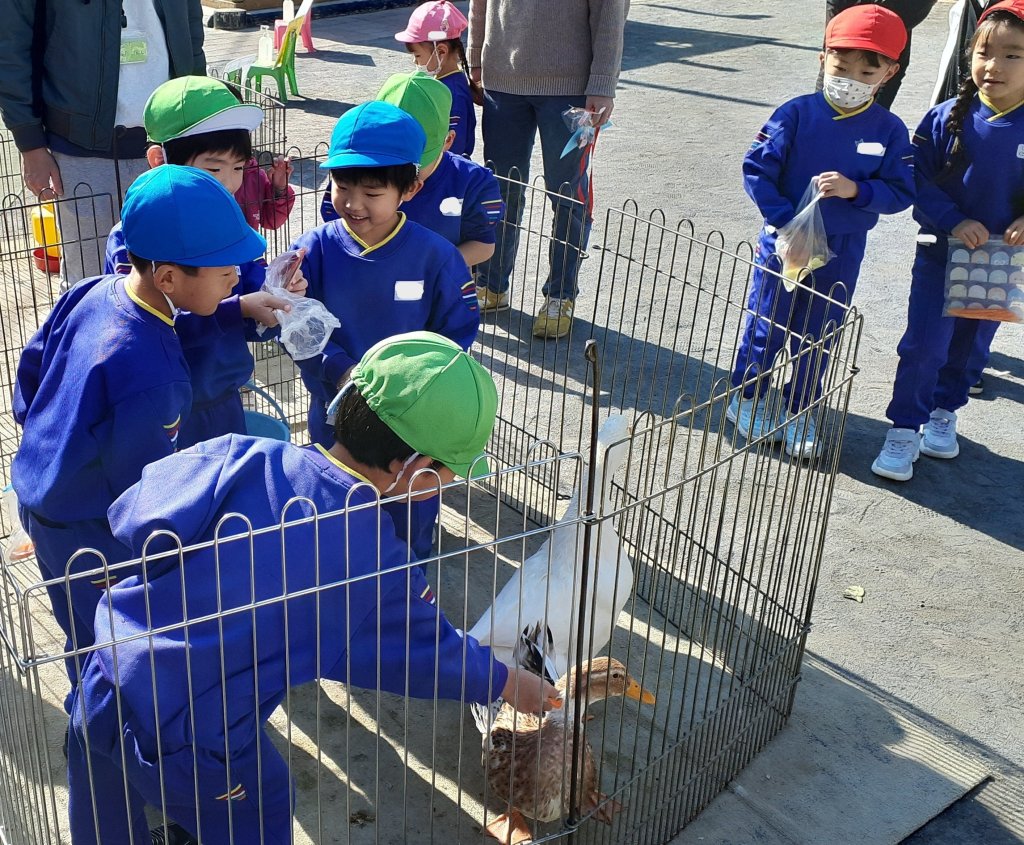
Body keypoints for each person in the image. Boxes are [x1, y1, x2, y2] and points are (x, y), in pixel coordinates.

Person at [67, 331, 560, 845]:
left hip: (105, 670)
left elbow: (134, 516)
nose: (449, 486)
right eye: (448, 474)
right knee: (262, 806)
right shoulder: (375, 561)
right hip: (193, 734)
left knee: (104, 813)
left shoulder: (243, 454)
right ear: (410, 467)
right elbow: (425, 651)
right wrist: (503, 681)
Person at [11, 166, 269, 712]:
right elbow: (144, 491)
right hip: (92, 532)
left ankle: (93, 714)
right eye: (226, 269)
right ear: (171, 277)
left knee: (80, 632)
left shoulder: (94, 290)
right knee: (114, 641)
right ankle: (104, 744)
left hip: (41, 495)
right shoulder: (155, 376)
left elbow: (31, 370)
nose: (236, 278)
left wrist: (47, 443)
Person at [728, 5, 915, 458]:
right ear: (822, 58)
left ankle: (800, 408)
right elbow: (757, 168)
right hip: (787, 240)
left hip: (844, 246)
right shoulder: (795, 114)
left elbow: (901, 189)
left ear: (889, 72)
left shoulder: (889, 130)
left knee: (819, 329)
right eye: (841, 64)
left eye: (866, 70)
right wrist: (781, 217)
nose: (851, 77)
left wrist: (858, 190)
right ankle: (747, 397)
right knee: (768, 320)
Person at [104, 76, 307, 449]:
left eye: (238, 169)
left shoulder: (229, 229)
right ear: (159, 160)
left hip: (225, 397)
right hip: (164, 409)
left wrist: (277, 294)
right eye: (213, 170)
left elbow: (247, 300)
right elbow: (150, 325)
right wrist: (240, 309)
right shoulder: (135, 238)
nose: (228, 184)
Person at [871, 0, 1024, 481]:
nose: (993, 66)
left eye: (1013, 55)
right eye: (983, 52)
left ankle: (944, 413)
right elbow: (916, 180)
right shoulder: (943, 118)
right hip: (940, 255)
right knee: (923, 346)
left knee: (970, 348)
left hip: (1000, 263)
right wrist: (953, 220)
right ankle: (903, 428)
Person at [290, 101, 479, 449]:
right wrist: (341, 370)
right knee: (339, 496)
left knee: (408, 499)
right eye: (342, 187)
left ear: (410, 189)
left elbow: (456, 335)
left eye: (372, 193)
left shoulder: (437, 257)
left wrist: (413, 385)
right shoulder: (311, 250)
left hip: (411, 416)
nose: (353, 204)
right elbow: (295, 324)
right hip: (334, 408)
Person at [0, 0, 207, 285]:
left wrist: (200, 125)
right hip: (81, 150)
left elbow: (192, 32)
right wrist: (30, 144)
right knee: (90, 284)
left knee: (174, 282)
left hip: (171, 142)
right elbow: (10, 46)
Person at [468, 0, 628, 338]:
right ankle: (492, 286)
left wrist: (602, 83)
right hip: (501, 82)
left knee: (568, 195)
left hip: (571, 92)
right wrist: (475, 60)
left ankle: (560, 296)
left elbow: (610, 16)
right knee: (500, 190)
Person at [319, 71, 504, 269]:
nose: (401, 176)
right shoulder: (356, 177)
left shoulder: (473, 182)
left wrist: (430, 267)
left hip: (437, 290)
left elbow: (484, 245)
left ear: (448, 141)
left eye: (415, 165)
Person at [817, 0, 941, 109]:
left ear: (890, 73)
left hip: (901, 9)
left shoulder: (891, 128)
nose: (850, 82)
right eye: (841, 69)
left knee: (880, 60)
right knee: (840, 53)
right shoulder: (799, 113)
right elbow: (833, 53)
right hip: (847, 9)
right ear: (822, 59)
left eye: (866, 73)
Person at [396, 0, 481, 157]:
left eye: (417, 55)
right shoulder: (445, 82)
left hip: (443, 173)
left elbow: (453, 146)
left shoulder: (453, 93)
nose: (415, 62)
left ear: (441, 51)